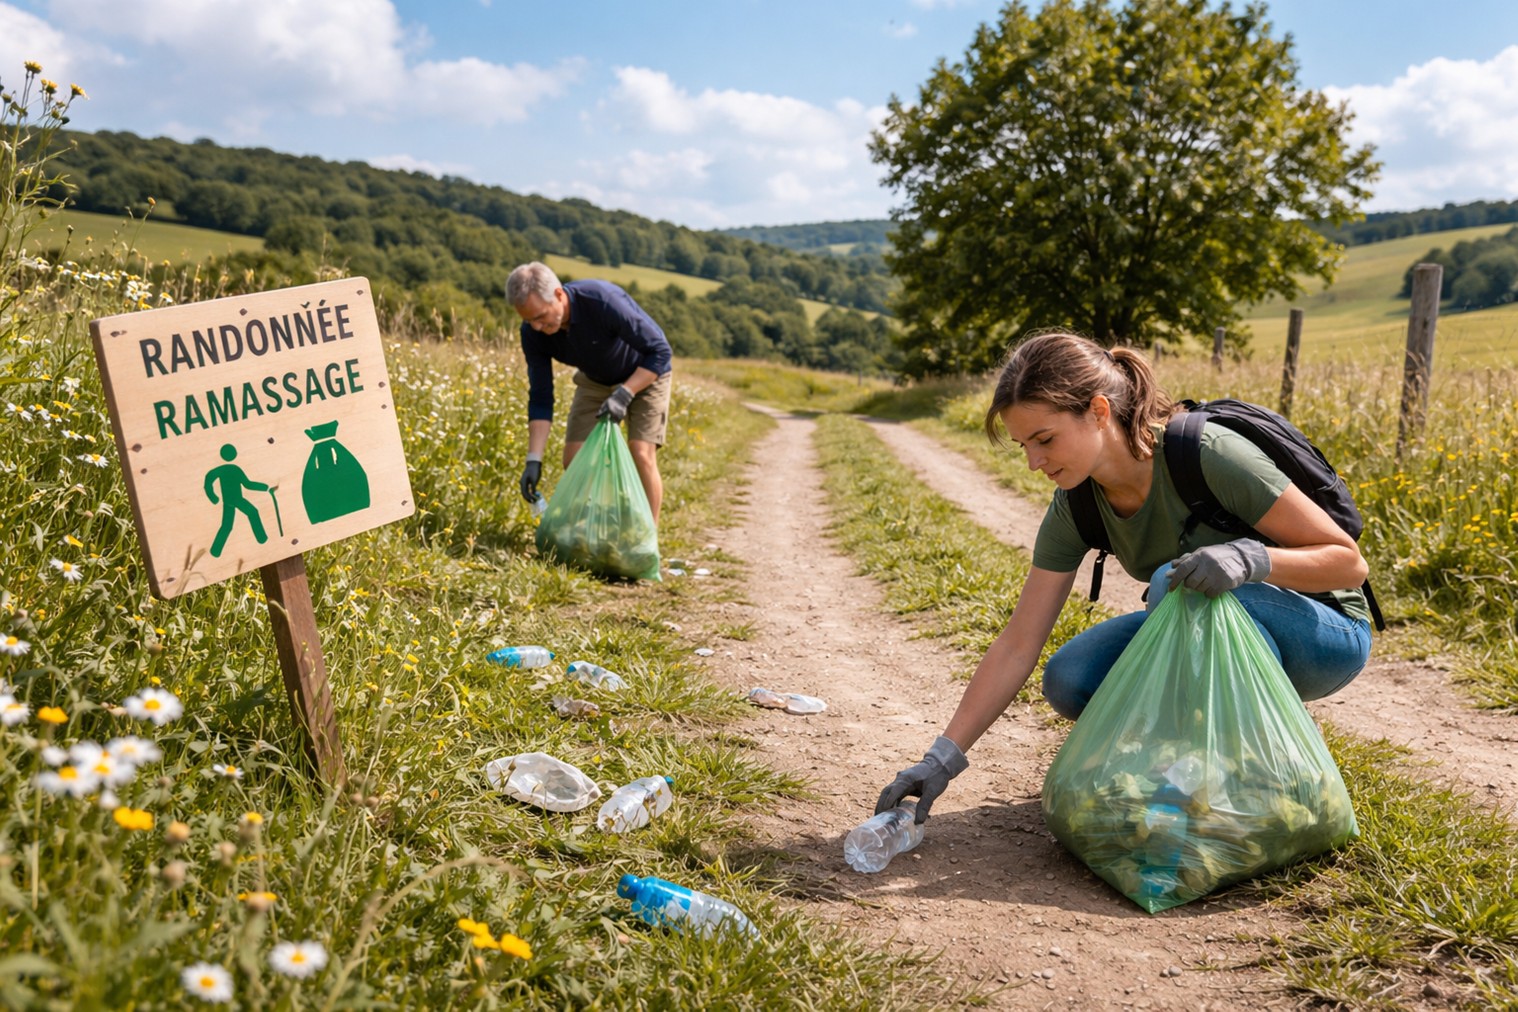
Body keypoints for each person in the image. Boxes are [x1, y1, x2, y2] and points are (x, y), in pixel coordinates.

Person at [876, 332, 1373, 823]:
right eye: (1023, 445)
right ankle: (1190, 769)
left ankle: (1257, 762)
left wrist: (1249, 558)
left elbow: (1347, 561)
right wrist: (941, 757)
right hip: (1208, 621)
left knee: (1168, 583)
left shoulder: (1208, 453)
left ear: (1097, 411)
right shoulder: (1076, 506)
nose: (1033, 462)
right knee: (1070, 679)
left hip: (1323, 632)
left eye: (1045, 440)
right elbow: (1019, 643)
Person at [507, 262, 674, 521]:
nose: (537, 327)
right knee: (575, 460)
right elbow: (541, 396)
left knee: (641, 451)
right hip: (595, 379)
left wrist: (625, 393)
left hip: (644, 372)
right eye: (529, 320)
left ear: (559, 295)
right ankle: (593, 530)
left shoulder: (602, 301)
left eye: (540, 317)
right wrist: (533, 461)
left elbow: (660, 352)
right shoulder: (532, 333)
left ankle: (646, 542)